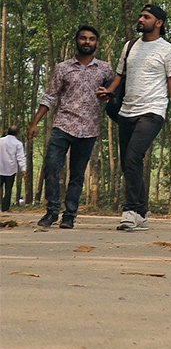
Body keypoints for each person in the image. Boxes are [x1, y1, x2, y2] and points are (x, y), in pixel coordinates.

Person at [97, 4, 171, 231]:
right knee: (128, 161)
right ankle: (141, 213)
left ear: (159, 23)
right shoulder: (130, 46)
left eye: (146, 17)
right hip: (127, 111)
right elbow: (119, 76)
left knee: (133, 156)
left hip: (152, 111)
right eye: (140, 15)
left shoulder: (169, 51)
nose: (140, 19)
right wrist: (110, 91)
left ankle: (131, 210)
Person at [30, 25, 115, 228]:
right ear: (76, 41)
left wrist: (108, 96)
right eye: (83, 38)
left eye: (92, 39)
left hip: (90, 129)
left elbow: (114, 92)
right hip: (63, 125)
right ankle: (51, 211)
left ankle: (70, 215)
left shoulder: (105, 69)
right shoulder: (63, 68)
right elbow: (50, 95)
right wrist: (35, 122)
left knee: (77, 174)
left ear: (96, 43)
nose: (87, 42)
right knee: (51, 167)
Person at [0, 125, 25, 211]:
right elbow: (20, 157)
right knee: (8, 189)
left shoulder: (0, 141)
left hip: (0, 167)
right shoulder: (18, 144)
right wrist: (23, 169)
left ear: (7, 132)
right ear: (17, 134)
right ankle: (5, 208)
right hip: (10, 169)